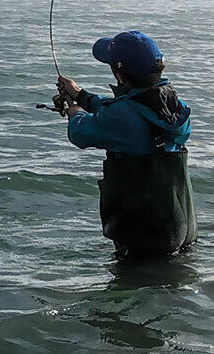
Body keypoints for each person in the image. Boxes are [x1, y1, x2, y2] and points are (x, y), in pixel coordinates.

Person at [54, 29, 196, 257]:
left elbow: (80, 133)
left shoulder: (121, 116)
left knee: (136, 287)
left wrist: (75, 111)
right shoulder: (172, 104)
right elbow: (128, 109)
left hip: (142, 237)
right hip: (180, 228)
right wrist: (81, 95)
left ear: (119, 74)